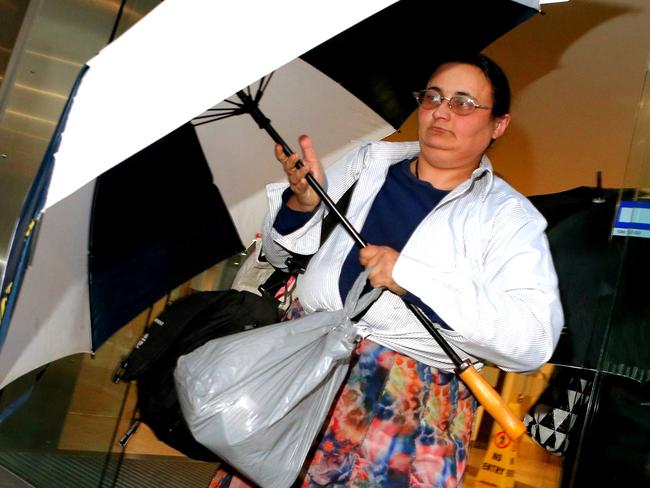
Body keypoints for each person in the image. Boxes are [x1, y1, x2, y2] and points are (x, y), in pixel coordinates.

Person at [211, 53, 563, 487]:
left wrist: (412, 277)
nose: (441, 111)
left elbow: (532, 340)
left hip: (406, 407)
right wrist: (301, 205)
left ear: (499, 125)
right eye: (432, 97)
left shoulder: (508, 218)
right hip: (302, 369)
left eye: (464, 103)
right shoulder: (368, 164)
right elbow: (285, 259)